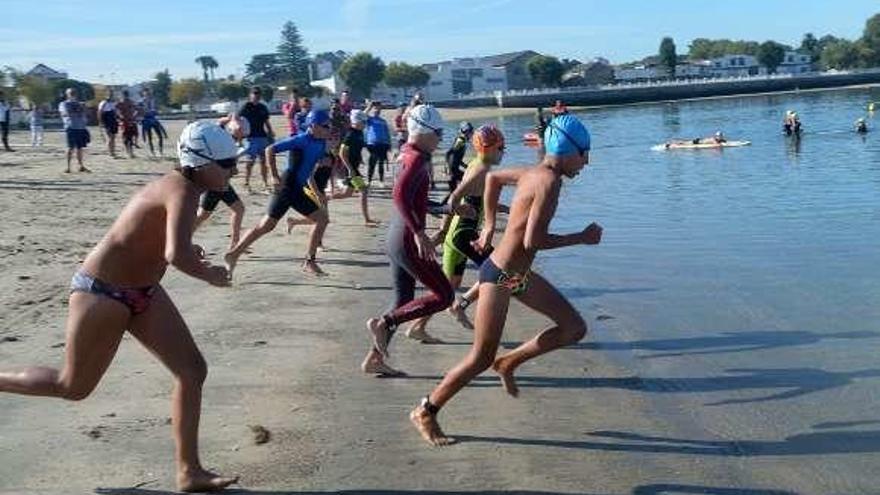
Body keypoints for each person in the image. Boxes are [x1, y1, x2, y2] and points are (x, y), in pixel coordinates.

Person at [0, 120, 240, 492]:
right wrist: (209, 274)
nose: (233, 169)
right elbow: (174, 254)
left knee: (192, 370)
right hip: (101, 293)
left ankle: (189, 472)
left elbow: (157, 241)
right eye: (226, 163)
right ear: (198, 162)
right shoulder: (183, 190)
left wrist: (193, 253)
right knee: (72, 386)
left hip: (143, 291)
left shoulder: (185, 186)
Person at [409, 112, 602, 446]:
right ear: (570, 150)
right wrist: (580, 237)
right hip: (500, 277)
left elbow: (495, 179)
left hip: (515, 277)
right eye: (585, 154)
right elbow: (533, 241)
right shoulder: (548, 182)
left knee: (574, 327)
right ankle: (426, 410)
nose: (586, 163)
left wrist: (487, 225)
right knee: (480, 356)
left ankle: (509, 362)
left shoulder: (533, 172)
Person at [361, 104, 475, 377]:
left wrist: (449, 209)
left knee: (403, 301)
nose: (440, 138)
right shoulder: (415, 159)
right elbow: (399, 196)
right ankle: (383, 323)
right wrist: (419, 232)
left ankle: (374, 360)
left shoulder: (409, 153)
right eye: (438, 132)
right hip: (406, 239)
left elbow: (416, 201)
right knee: (445, 295)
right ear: (423, 132)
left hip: (397, 237)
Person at [409, 125, 507, 339]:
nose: (504, 151)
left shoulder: (478, 165)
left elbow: (478, 200)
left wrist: (508, 209)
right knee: (499, 271)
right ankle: (461, 307)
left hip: (459, 233)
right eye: (502, 147)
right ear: (489, 148)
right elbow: (455, 197)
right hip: (462, 233)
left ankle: (418, 327)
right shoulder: (481, 170)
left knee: (447, 288)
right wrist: (443, 229)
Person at [224, 109, 331, 277]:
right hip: (287, 187)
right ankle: (234, 254)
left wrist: (315, 190)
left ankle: (309, 261)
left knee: (321, 219)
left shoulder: (321, 143)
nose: (328, 128)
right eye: (326, 125)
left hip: (299, 189)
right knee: (266, 226)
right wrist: (274, 176)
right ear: (314, 125)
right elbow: (269, 150)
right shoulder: (300, 139)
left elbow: (308, 169)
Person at [194, 115, 249, 250]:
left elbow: (220, 122)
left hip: (221, 183)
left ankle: (235, 243)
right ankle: (181, 237)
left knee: (237, 210)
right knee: (204, 214)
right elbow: (230, 166)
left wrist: (231, 118)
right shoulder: (225, 141)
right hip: (217, 183)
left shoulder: (221, 136)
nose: (242, 136)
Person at [331, 109, 379, 225]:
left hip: (354, 167)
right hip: (351, 169)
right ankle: (367, 219)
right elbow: (342, 153)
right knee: (364, 191)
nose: (364, 124)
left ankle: (325, 197)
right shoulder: (350, 135)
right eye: (363, 122)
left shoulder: (359, 133)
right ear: (356, 122)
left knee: (346, 194)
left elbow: (357, 149)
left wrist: (360, 159)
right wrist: (350, 169)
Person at [239, 87, 275, 193]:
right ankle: (246, 182)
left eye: (258, 94)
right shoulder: (246, 107)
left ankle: (265, 183)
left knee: (264, 161)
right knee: (250, 161)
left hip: (262, 137)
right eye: (254, 93)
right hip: (250, 138)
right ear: (250, 95)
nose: (256, 95)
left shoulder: (263, 107)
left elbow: (266, 122)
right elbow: (239, 120)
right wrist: (240, 138)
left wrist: (270, 133)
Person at [58, 88, 91, 173]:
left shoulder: (80, 104)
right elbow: (65, 113)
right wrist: (78, 111)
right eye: (71, 93)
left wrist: (84, 108)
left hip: (81, 127)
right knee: (70, 147)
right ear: (67, 94)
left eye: (74, 93)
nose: (73, 94)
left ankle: (81, 165)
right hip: (71, 127)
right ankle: (68, 167)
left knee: (80, 148)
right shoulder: (64, 103)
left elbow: (85, 114)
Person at [443, 122, 474, 201]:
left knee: (454, 191)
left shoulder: (462, 141)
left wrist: (465, 166)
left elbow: (456, 157)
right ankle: (445, 207)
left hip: (454, 169)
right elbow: (448, 153)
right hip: (452, 170)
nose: (471, 133)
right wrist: (447, 169)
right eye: (470, 131)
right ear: (464, 131)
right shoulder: (460, 141)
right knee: (465, 185)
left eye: (471, 131)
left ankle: (445, 206)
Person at [365, 102, 391, 184]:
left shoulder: (383, 121)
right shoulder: (370, 119)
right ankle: (369, 180)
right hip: (372, 144)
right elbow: (362, 115)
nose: (377, 110)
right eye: (375, 108)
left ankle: (381, 180)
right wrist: (369, 106)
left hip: (383, 144)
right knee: (372, 163)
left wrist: (389, 144)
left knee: (381, 163)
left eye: (379, 108)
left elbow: (387, 133)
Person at [141, 87, 168, 157]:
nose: (147, 94)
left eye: (148, 92)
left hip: (153, 118)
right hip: (147, 119)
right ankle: (152, 151)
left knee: (160, 135)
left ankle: (160, 150)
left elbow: (155, 109)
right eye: (145, 92)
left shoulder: (153, 100)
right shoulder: (142, 101)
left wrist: (156, 111)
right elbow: (141, 111)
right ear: (143, 93)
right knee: (149, 137)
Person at [116, 90, 140, 158]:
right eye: (124, 95)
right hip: (125, 121)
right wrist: (120, 116)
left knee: (130, 136)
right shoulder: (120, 103)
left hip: (130, 121)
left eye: (126, 95)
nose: (125, 96)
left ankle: (130, 152)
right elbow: (116, 111)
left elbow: (137, 109)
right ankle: (129, 151)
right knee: (126, 136)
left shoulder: (130, 102)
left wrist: (134, 116)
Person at [97, 91, 119, 157]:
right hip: (107, 121)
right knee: (110, 137)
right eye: (109, 95)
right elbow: (99, 112)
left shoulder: (113, 103)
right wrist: (100, 122)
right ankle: (111, 152)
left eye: (111, 95)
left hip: (113, 121)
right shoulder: (103, 103)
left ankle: (113, 151)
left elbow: (116, 112)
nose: (110, 96)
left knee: (113, 137)